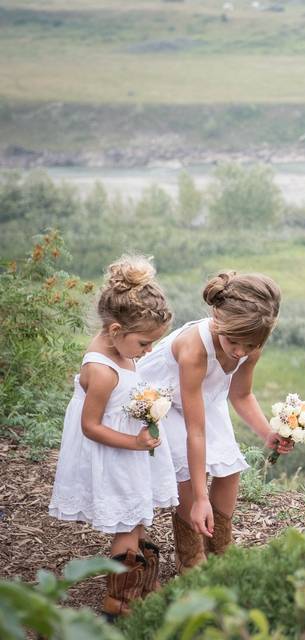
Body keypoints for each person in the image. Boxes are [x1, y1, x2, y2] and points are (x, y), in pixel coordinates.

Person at [48, 255, 177, 619]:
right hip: (113, 450)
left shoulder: (118, 342)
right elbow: (91, 426)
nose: (148, 350)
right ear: (116, 330)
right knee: (125, 521)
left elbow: (126, 386)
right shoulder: (101, 370)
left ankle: (143, 584)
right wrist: (135, 443)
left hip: (127, 448)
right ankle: (119, 604)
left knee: (137, 516)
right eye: (144, 343)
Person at [138, 271, 291, 573]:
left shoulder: (250, 343)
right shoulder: (194, 349)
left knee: (229, 468)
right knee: (185, 472)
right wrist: (200, 498)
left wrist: (267, 432)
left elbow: (242, 394)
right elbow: (195, 432)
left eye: (249, 346)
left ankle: (221, 549)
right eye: (234, 342)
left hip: (204, 400)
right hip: (161, 403)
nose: (240, 352)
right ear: (217, 318)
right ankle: (190, 556)